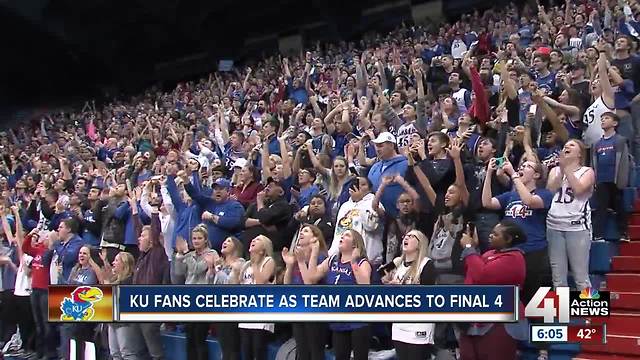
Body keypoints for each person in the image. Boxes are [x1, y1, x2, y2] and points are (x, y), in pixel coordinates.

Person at [482, 157, 553, 303]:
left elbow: (529, 201)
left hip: (533, 252)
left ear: (536, 175)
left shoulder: (545, 194)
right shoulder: (511, 195)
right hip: (510, 253)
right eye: (522, 165)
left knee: (532, 300)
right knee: (511, 298)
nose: (521, 167)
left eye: (527, 166)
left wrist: (513, 175)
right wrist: (489, 173)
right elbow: (487, 202)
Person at [458, 221, 527, 360]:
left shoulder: (514, 258)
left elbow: (482, 276)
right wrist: (474, 251)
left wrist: (469, 247)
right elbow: (472, 271)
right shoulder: (489, 254)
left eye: (495, 234)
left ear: (508, 239)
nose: (490, 236)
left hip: (500, 321)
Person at [307, 229, 372, 360]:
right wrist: (314, 252)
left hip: (358, 319)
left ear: (355, 244)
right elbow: (311, 278)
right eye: (341, 235)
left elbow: (365, 286)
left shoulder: (362, 262)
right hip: (338, 319)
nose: (342, 237)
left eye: (347, 235)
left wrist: (353, 262)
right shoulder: (332, 261)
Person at [546, 140, 595, 289]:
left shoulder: (587, 171)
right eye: (565, 145)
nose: (566, 146)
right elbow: (550, 190)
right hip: (554, 226)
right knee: (558, 278)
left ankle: (589, 311)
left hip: (577, 228)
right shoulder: (555, 171)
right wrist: (561, 169)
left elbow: (579, 189)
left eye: (572, 145)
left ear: (580, 154)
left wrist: (566, 168)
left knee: (581, 277)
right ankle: (563, 312)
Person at [381, 230, 436, 360]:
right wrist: (387, 282)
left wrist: (402, 289)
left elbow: (428, 296)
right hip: (400, 323)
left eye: (412, 237)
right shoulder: (398, 263)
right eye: (406, 236)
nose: (407, 238)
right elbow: (379, 274)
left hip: (419, 323)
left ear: (420, 243)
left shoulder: (426, 264)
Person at [282, 225, 328, 360]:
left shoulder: (321, 258)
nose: (301, 233)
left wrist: (301, 262)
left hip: (315, 310)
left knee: (315, 351)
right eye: (301, 231)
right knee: (302, 352)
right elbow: (287, 285)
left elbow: (310, 283)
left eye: (306, 231)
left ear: (315, 238)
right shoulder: (298, 259)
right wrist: (290, 265)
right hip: (299, 309)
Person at [174, 224, 219, 360]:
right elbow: (179, 273)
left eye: (199, 238)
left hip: (203, 300)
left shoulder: (212, 254)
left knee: (199, 338)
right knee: (190, 338)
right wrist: (179, 256)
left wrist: (186, 253)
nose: (196, 241)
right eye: (194, 238)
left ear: (205, 239)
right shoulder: (191, 254)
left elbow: (197, 269)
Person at [591, 112, 631, 242]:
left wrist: (621, 181)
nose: (603, 120)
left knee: (620, 206)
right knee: (600, 207)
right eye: (601, 118)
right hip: (601, 180)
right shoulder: (597, 143)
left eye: (606, 118)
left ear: (615, 123)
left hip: (615, 180)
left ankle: (623, 233)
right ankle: (598, 234)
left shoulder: (620, 140)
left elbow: (624, 162)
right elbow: (593, 163)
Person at [329, 176, 384, 266]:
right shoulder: (345, 206)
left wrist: (360, 201)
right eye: (357, 184)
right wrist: (333, 254)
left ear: (370, 189)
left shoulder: (374, 203)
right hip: (343, 260)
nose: (359, 187)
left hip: (368, 260)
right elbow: (339, 231)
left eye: (363, 184)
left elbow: (371, 225)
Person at [237, 235, 276, 360]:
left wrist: (255, 264)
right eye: (253, 239)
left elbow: (260, 283)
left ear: (263, 249)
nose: (253, 240)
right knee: (247, 352)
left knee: (259, 351)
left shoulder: (268, 261)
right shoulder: (246, 265)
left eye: (258, 239)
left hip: (261, 314)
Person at [210, 236, 246, 360]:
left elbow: (230, 284)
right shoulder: (221, 263)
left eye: (229, 241)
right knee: (224, 347)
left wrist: (218, 269)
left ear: (236, 247)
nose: (224, 242)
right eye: (224, 240)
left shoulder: (240, 263)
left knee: (232, 347)